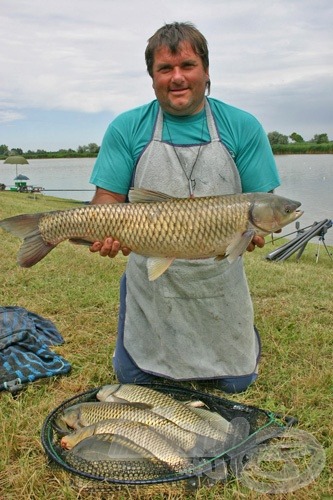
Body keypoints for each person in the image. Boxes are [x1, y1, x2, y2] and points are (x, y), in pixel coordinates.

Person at [89, 22, 280, 393]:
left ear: (206, 71)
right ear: (152, 77)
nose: (177, 77)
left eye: (188, 66)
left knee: (236, 383)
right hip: (151, 278)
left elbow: (264, 201)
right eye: (165, 68)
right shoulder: (127, 127)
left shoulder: (242, 126)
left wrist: (253, 234)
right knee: (137, 381)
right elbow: (106, 202)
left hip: (219, 281)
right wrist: (102, 233)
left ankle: (238, 338)